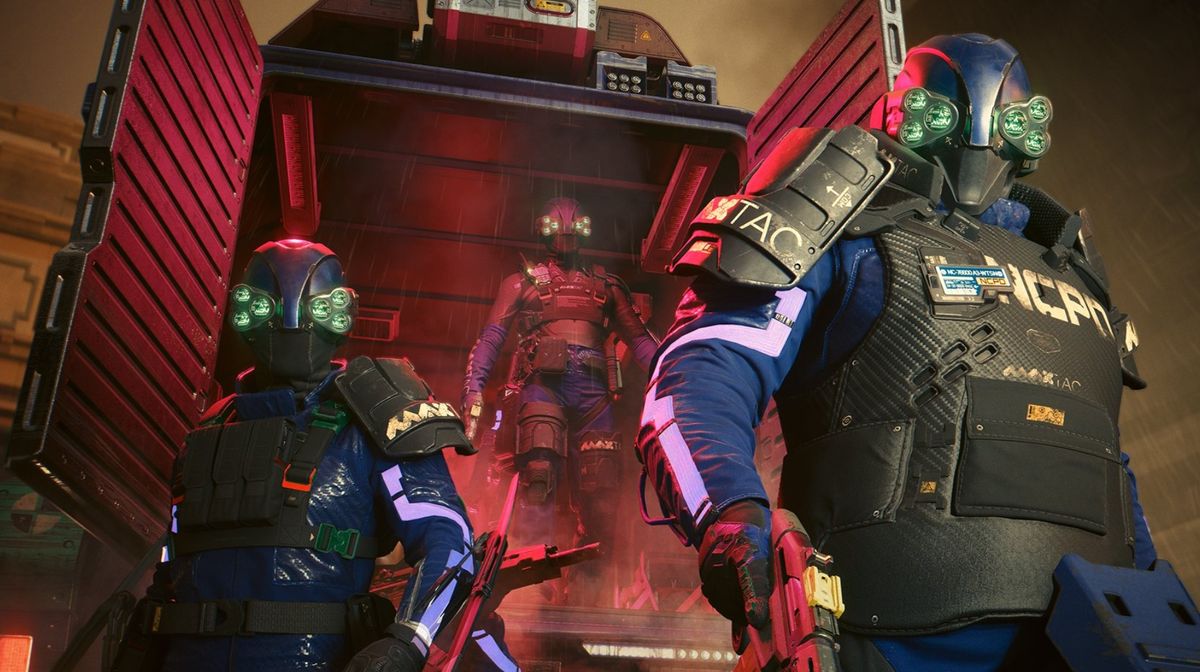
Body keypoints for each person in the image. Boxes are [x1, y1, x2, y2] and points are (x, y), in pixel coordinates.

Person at [637, 34, 1157, 671]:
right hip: (880, 631)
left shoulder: (1074, 271)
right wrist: (730, 515)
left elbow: (1106, 465)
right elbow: (700, 374)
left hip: (1089, 639)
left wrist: (1149, 595)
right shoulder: (846, 235)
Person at [114, 239, 517, 671]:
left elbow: (449, 541)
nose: (292, 322)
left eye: (311, 308)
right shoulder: (213, 426)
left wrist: (406, 642)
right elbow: (176, 558)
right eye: (273, 306)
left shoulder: (376, 417)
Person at [461, 197, 657, 586]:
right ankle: (534, 581)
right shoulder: (522, 283)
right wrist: (474, 389)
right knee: (538, 479)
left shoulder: (606, 286)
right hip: (543, 388)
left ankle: (590, 582)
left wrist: (675, 377)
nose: (566, 234)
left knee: (601, 493)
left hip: (594, 393)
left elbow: (641, 342)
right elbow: (491, 338)